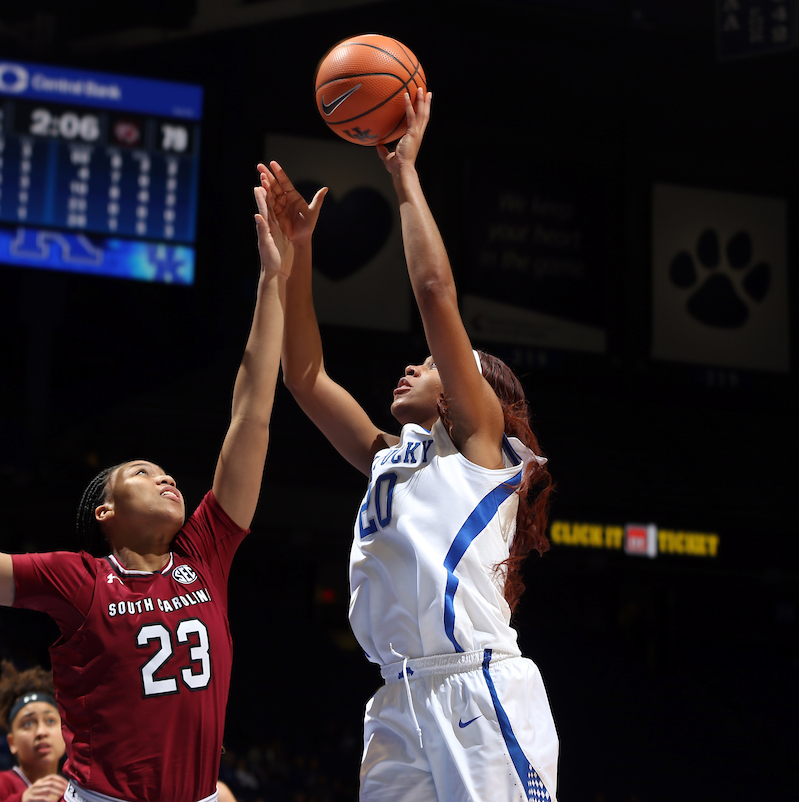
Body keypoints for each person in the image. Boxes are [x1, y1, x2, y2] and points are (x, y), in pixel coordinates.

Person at [0, 183, 293, 802]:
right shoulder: (79, 581)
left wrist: (275, 278)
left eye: (165, 471)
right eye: (140, 472)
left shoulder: (205, 553)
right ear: (105, 512)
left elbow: (252, 410)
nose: (166, 477)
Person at [260, 87, 559, 802]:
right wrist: (297, 254)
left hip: (478, 688)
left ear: (469, 394)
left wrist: (403, 174)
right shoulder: (389, 457)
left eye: (428, 365)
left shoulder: (484, 453)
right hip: (395, 699)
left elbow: (432, 291)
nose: (412, 365)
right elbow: (302, 377)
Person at [0, 662, 67, 802]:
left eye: (50, 721)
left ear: (65, 732)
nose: (41, 732)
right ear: (12, 742)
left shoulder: (74, 793)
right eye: (27, 724)